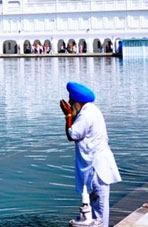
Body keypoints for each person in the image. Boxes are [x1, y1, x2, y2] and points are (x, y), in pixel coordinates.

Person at [60, 82, 121, 226]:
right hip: (98, 167)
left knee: (98, 212)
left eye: (71, 101)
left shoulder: (86, 115)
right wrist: (70, 116)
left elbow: (72, 134)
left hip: (96, 170)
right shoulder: (91, 111)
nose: (69, 103)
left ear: (77, 102)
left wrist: (68, 115)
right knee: (95, 210)